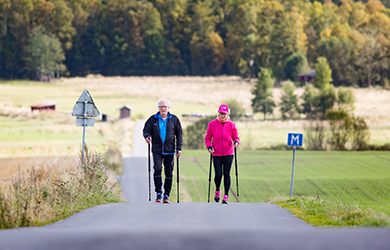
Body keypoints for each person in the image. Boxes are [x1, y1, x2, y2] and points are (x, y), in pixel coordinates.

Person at [143, 98, 183, 204]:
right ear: (158, 108)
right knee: (157, 169)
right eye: (161, 107)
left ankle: (166, 195)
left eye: (165, 106)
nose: (163, 109)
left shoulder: (174, 119)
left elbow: (179, 133)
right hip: (157, 150)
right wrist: (147, 136)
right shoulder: (153, 119)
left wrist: (179, 148)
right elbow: (146, 130)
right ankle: (159, 193)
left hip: (170, 151)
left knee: (169, 172)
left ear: (169, 108)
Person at [205, 104, 240, 204]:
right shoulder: (212, 124)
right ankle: (217, 190)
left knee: (227, 174)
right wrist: (209, 147)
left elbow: (236, 137)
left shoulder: (232, 125)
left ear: (228, 114)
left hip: (229, 152)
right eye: (221, 113)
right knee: (218, 174)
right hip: (216, 153)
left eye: (224, 114)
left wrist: (236, 142)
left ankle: (226, 196)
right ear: (218, 113)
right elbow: (207, 138)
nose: (222, 115)